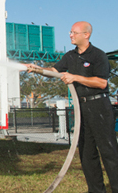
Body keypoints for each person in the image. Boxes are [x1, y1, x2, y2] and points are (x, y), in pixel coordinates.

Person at [26, 21, 118, 193]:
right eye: (70, 32)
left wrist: (75, 77)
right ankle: (96, 190)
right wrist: (37, 69)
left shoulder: (98, 55)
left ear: (86, 34)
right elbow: (54, 70)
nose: (70, 35)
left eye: (74, 32)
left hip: (99, 106)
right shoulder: (70, 56)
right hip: (80, 108)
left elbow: (101, 82)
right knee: (86, 152)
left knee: (109, 151)